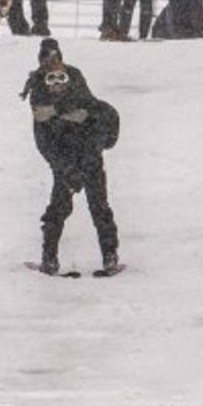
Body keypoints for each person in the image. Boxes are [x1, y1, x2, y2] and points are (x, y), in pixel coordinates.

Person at [21, 38, 121, 276]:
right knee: (58, 208)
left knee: (99, 207)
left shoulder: (76, 81)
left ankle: (109, 255)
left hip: (88, 154)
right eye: (50, 74)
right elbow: (44, 143)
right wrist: (65, 169)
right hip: (64, 157)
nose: (56, 78)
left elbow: (93, 109)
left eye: (60, 72)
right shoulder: (39, 97)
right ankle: (49, 258)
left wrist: (62, 112)